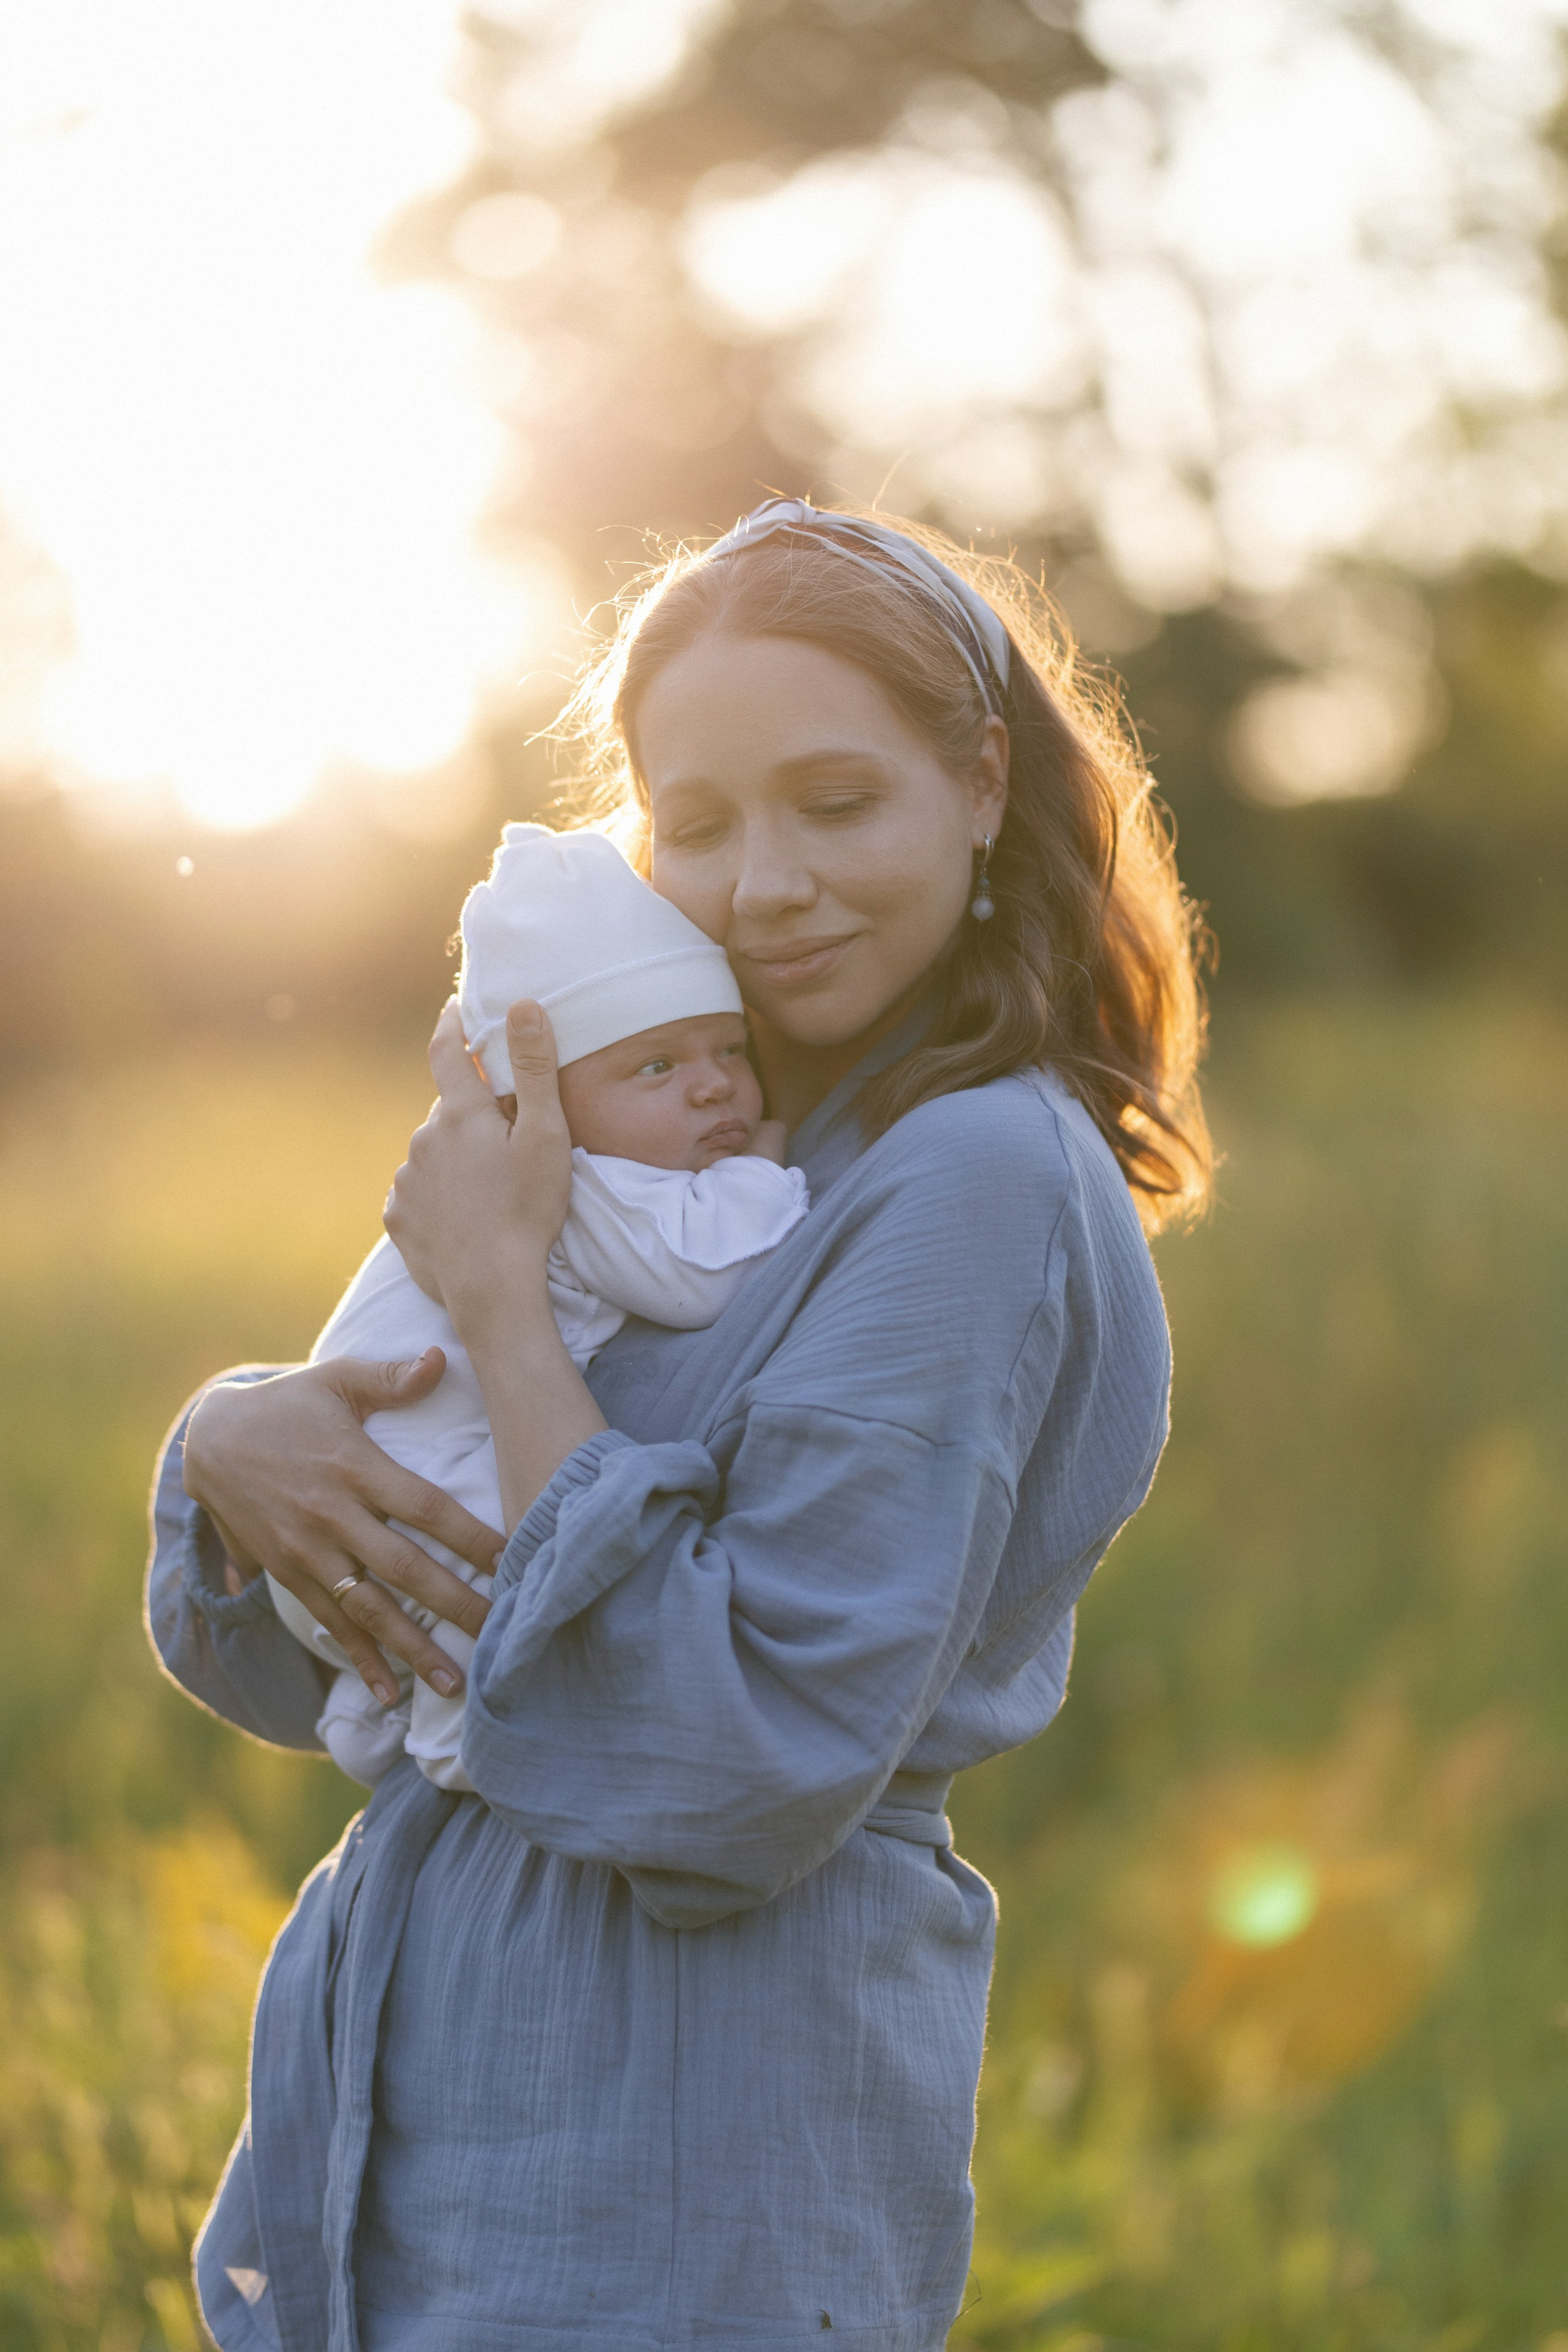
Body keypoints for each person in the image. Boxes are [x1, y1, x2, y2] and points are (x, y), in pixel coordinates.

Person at [146, 497, 1212, 2352]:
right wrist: (237, 1432)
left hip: (686, 2135)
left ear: (978, 783)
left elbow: (729, 1765)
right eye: (698, 823)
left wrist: (497, 1294)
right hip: (442, 2108)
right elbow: (385, 1640)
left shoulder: (975, 1176)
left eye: (834, 801)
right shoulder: (717, 1142)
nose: (763, 883)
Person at [270, 819, 808, 1791]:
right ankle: (446, 1736)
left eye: (727, 1047)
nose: (714, 1087)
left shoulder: (571, 1165)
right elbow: (698, 1280)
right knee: (491, 1555)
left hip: (339, 1524)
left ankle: (364, 1706)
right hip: (391, 1498)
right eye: (655, 1066)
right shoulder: (564, 1181)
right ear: (533, 1105)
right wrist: (763, 1176)